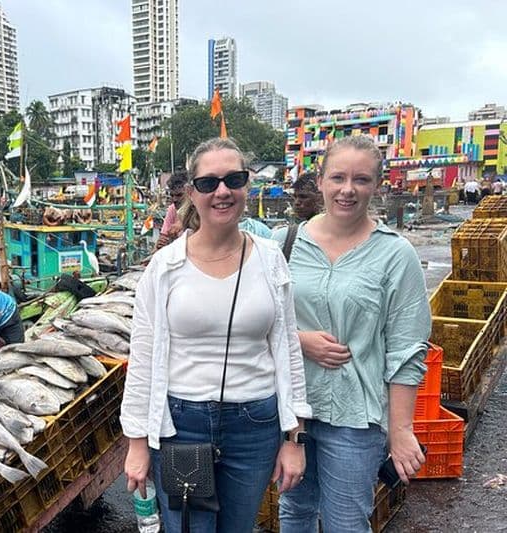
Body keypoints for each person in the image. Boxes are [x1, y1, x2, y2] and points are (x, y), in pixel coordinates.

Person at [121, 137, 312, 533]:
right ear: (192, 192)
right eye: (208, 183)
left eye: (233, 180)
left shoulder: (270, 259)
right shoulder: (165, 266)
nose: (222, 191)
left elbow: (287, 350)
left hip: (255, 423)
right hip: (183, 424)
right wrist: (137, 443)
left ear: (247, 185)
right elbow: (143, 356)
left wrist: (294, 438)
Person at [272, 135, 430, 532]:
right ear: (321, 181)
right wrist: (300, 342)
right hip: (292, 412)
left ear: (377, 185)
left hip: (354, 417)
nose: (348, 189)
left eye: (361, 179)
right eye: (338, 177)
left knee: (346, 522)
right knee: (293, 511)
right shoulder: (283, 244)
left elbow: (407, 349)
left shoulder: (395, 255)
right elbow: (258, 322)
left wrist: (401, 430)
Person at [154, 171, 188, 251]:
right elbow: (163, 237)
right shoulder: (172, 209)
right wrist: (159, 245)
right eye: (172, 195)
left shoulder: (201, 210)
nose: (174, 199)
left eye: (179, 195)